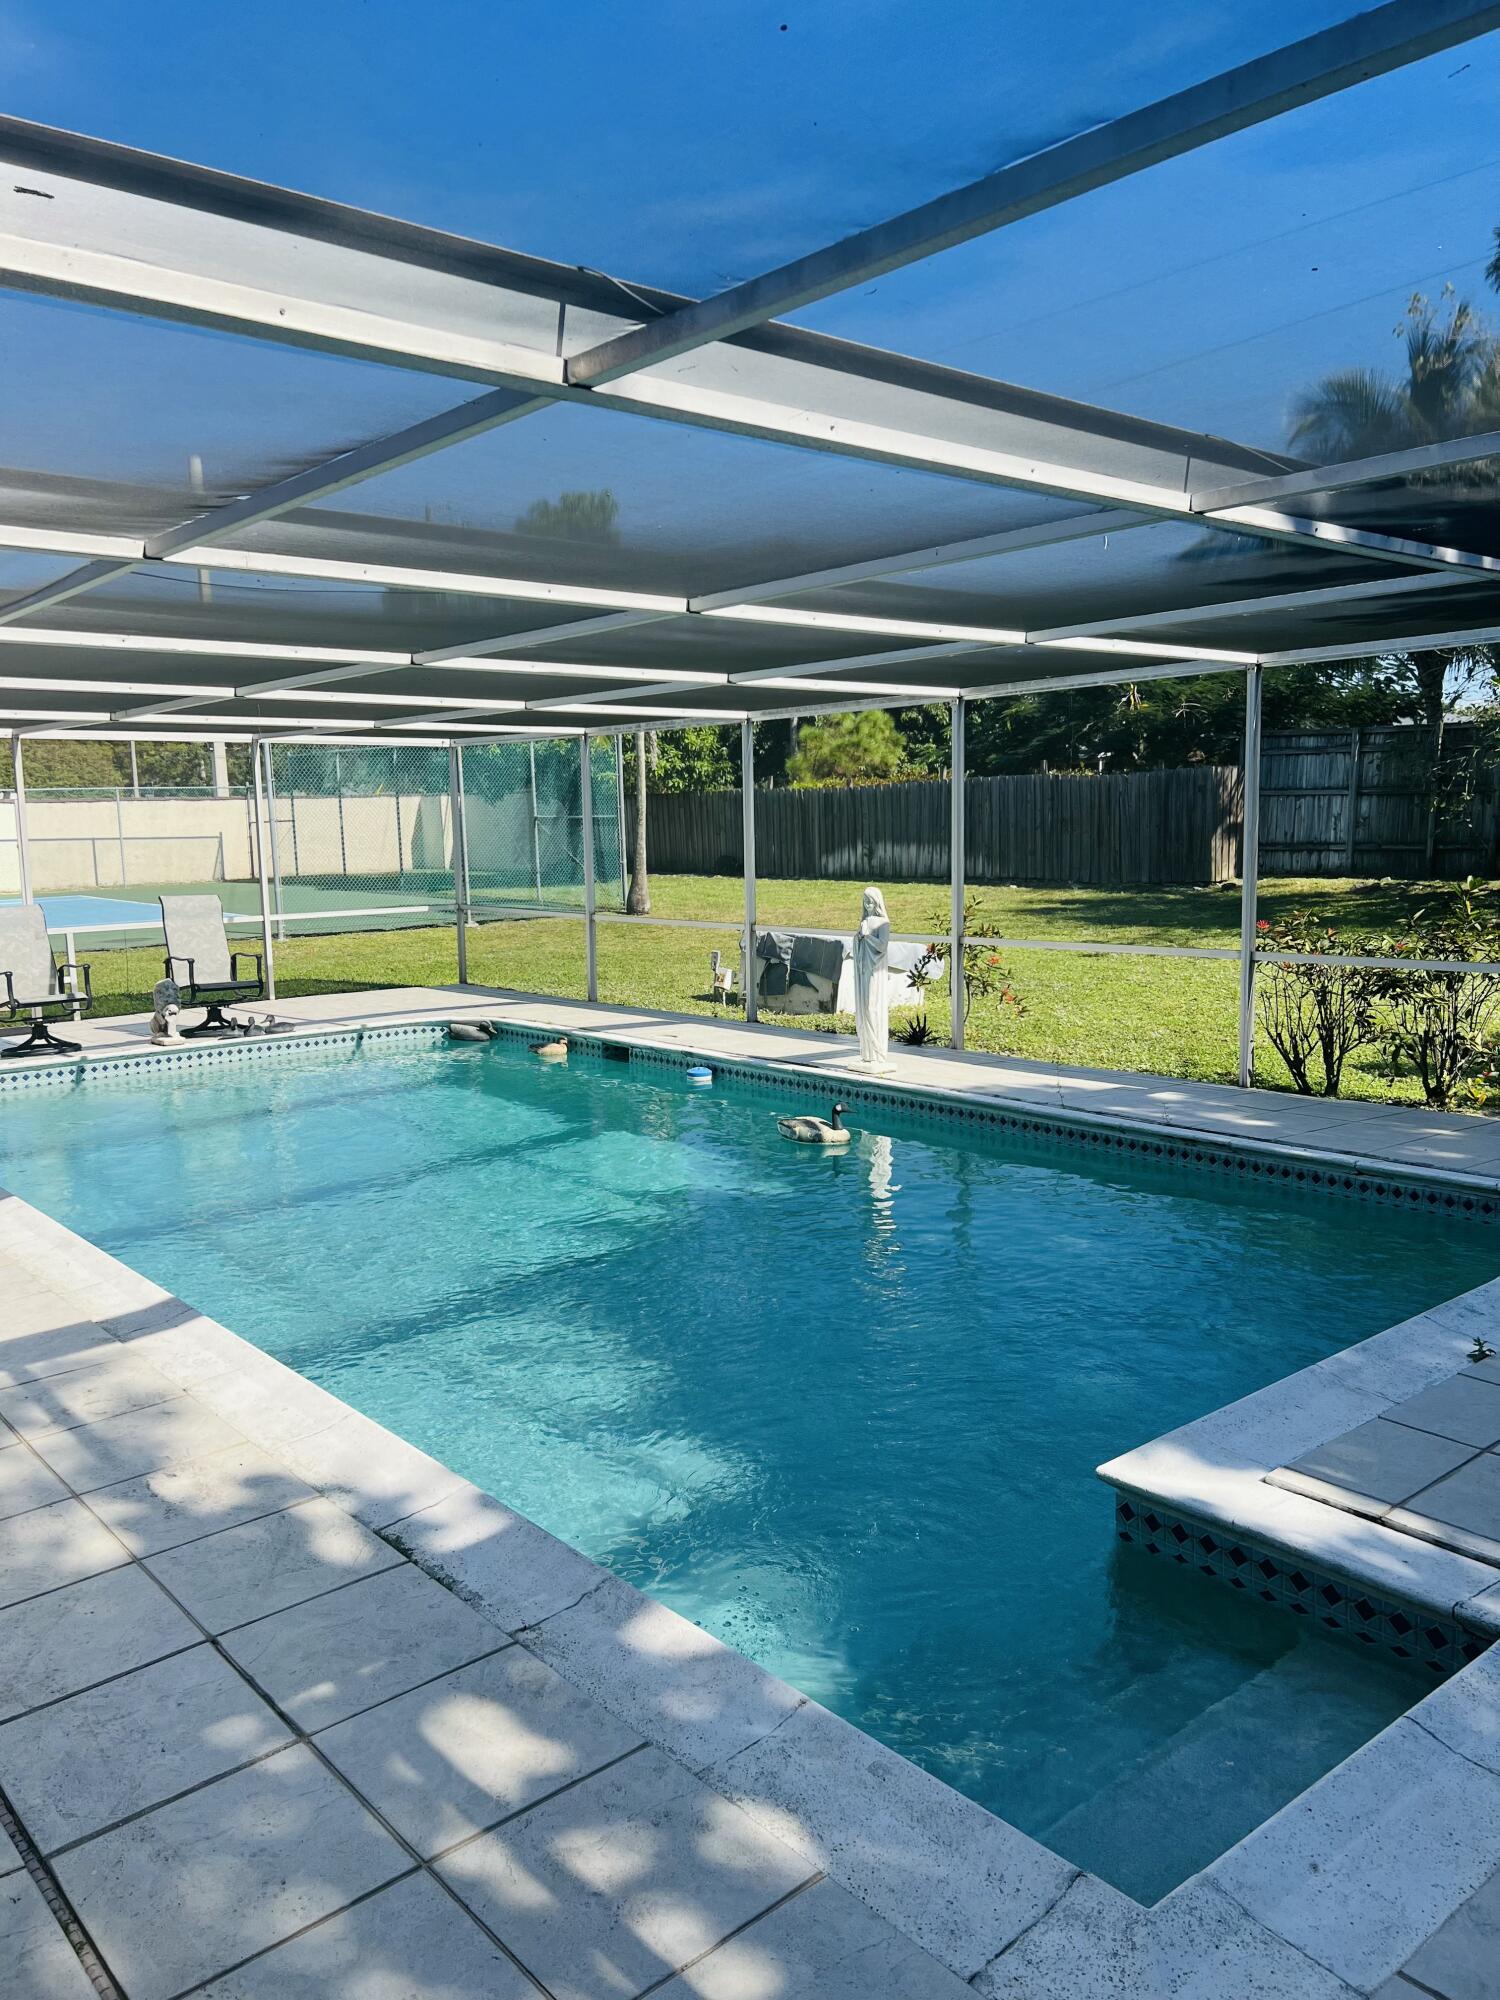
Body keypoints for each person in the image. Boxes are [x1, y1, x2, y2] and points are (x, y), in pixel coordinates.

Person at [853, 885, 891, 1067]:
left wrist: (867, 937)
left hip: (875, 969)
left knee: (872, 1006)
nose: (867, 904)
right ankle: (867, 1052)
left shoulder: (883, 923)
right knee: (863, 1006)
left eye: (870, 901)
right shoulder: (865, 921)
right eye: (865, 901)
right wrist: (859, 938)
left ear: (877, 902)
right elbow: (858, 941)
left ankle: (878, 1051)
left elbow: (882, 946)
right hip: (864, 968)